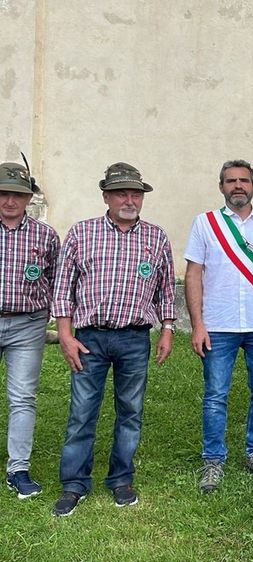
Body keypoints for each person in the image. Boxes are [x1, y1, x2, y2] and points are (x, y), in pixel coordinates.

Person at [51, 163, 175, 516]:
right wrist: (65, 335)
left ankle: (121, 479)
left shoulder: (156, 237)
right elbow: (63, 288)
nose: (129, 200)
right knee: (81, 413)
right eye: (121, 193)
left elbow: (167, 289)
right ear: (106, 197)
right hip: (89, 338)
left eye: (136, 194)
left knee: (130, 412)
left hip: (135, 339)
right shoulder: (82, 233)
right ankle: (74, 484)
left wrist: (167, 329)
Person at [186, 160, 253, 492]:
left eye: (244, 180)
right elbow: (193, 274)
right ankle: (213, 460)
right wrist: (198, 325)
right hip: (219, 324)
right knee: (215, 395)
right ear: (221, 187)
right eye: (231, 181)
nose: (238, 186)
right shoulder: (205, 223)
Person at [0, 158, 60, 499]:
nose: (10, 201)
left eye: (18, 195)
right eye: (4, 193)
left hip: (27, 325)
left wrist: (45, 315)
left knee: (22, 397)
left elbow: (55, 278)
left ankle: (18, 469)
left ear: (28, 198)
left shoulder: (45, 236)